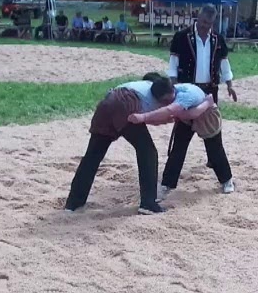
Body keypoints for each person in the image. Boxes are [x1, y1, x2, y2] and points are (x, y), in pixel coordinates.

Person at [64, 73, 183, 216]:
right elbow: (143, 117)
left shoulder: (139, 88)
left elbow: (143, 119)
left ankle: (73, 203)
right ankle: (148, 203)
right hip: (123, 103)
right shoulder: (151, 95)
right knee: (148, 151)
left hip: (106, 104)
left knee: (92, 156)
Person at [162, 5, 238, 198]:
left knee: (213, 137)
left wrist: (229, 85)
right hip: (187, 92)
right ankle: (167, 183)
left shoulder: (217, 40)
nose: (205, 26)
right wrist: (174, 89)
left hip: (209, 93)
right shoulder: (181, 37)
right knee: (180, 140)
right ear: (198, 18)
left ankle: (226, 179)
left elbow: (224, 65)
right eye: (203, 22)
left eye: (210, 23)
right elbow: (173, 66)